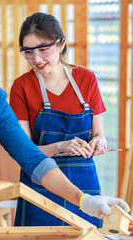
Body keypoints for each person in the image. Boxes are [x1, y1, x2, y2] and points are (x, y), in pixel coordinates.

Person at [10, 12, 128, 227]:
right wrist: (61, 145)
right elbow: (25, 152)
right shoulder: (22, 87)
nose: (36, 59)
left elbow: (98, 133)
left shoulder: (87, 80)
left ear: (61, 44)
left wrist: (99, 141)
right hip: (39, 189)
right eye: (28, 52)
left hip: (85, 186)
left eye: (43, 49)